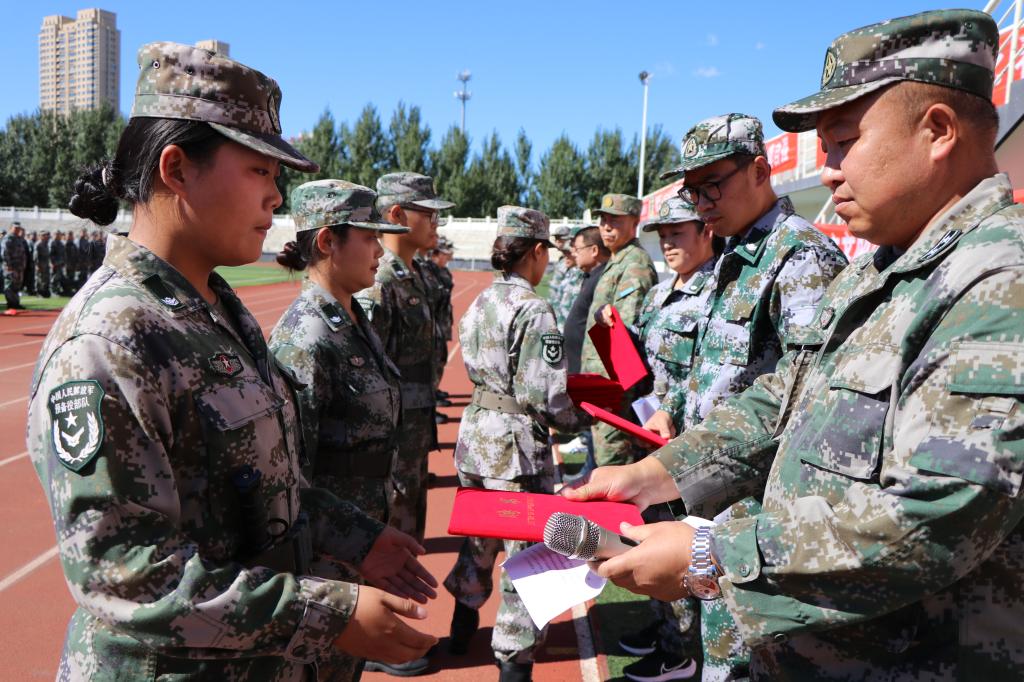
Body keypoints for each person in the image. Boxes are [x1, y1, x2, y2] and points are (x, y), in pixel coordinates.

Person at [565, 9, 1024, 679]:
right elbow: (783, 397)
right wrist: (660, 472)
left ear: (937, 131)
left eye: (843, 142)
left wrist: (716, 555)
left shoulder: (1000, 283)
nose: (829, 172)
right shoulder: (880, 270)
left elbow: (939, 514)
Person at [28, 42, 438, 680]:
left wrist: (358, 538)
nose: (276, 197)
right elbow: (126, 575)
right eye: (259, 171)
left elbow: (268, 487)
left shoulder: (216, 312)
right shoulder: (109, 340)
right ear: (176, 168)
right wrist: (329, 616)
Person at [271, 179, 435, 679]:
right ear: (327, 242)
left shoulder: (351, 318)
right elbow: (291, 474)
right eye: (368, 237)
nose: (379, 249)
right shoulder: (305, 337)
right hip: (327, 555)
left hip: (361, 535)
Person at [444, 205, 588, 682]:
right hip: (514, 449)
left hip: (476, 437)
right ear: (538, 251)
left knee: (479, 537)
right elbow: (542, 394)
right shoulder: (533, 308)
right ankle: (513, 661)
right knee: (524, 555)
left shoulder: (482, 300)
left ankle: (461, 626)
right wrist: (580, 419)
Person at [617, 197, 720, 682]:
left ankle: (680, 653)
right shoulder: (660, 293)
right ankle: (665, 631)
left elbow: (700, 377)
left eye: (678, 233)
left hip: (689, 448)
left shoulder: (716, 292)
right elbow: (643, 362)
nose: (668, 243)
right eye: (662, 235)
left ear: (706, 231)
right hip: (648, 436)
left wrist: (668, 414)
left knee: (685, 549)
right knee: (650, 535)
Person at [357, 172, 454, 545]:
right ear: (396, 214)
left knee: (411, 534)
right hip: (391, 439)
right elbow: (367, 373)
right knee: (391, 538)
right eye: (428, 214)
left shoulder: (416, 274)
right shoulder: (380, 281)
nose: (435, 222)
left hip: (414, 429)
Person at [582, 193, 658, 467]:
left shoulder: (635, 264)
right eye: (603, 219)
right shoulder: (618, 260)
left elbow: (624, 333)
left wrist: (616, 397)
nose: (606, 226)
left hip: (616, 390)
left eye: (615, 220)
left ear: (635, 222)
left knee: (613, 464)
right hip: (604, 385)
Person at [2, 222, 27, 310]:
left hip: (19, 266)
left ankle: (16, 303)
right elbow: (4, 252)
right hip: (11, 266)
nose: (17, 230)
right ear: (11, 228)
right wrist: (8, 264)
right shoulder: (8, 238)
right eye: (15, 228)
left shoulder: (18, 238)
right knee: (10, 284)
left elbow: (22, 253)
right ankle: (11, 304)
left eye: (18, 228)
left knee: (17, 285)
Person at [33, 230, 51, 299]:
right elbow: (35, 256)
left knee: (45, 279)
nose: (45, 236)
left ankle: (44, 292)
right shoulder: (38, 244)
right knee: (39, 279)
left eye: (46, 235)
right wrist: (37, 265)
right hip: (40, 264)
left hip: (45, 264)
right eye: (43, 235)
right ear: (40, 236)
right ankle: (38, 292)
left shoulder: (46, 244)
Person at [49, 230, 66, 297]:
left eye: (59, 234)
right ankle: (52, 291)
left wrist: (63, 262)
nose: (58, 236)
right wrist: (52, 263)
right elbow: (50, 254)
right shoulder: (52, 243)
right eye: (57, 234)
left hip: (60, 264)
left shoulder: (61, 243)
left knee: (58, 278)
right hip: (55, 264)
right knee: (53, 278)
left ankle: (57, 290)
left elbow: (63, 254)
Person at [24, 230, 37, 296]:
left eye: (35, 235)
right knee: (29, 277)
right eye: (33, 235)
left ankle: (31, 290)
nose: (34, 236)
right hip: (29, 263)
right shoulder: (29, 242)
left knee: (32, 277)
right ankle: (28, 290)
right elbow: (29, 254)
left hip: (33, 263)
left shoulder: (34, 242)